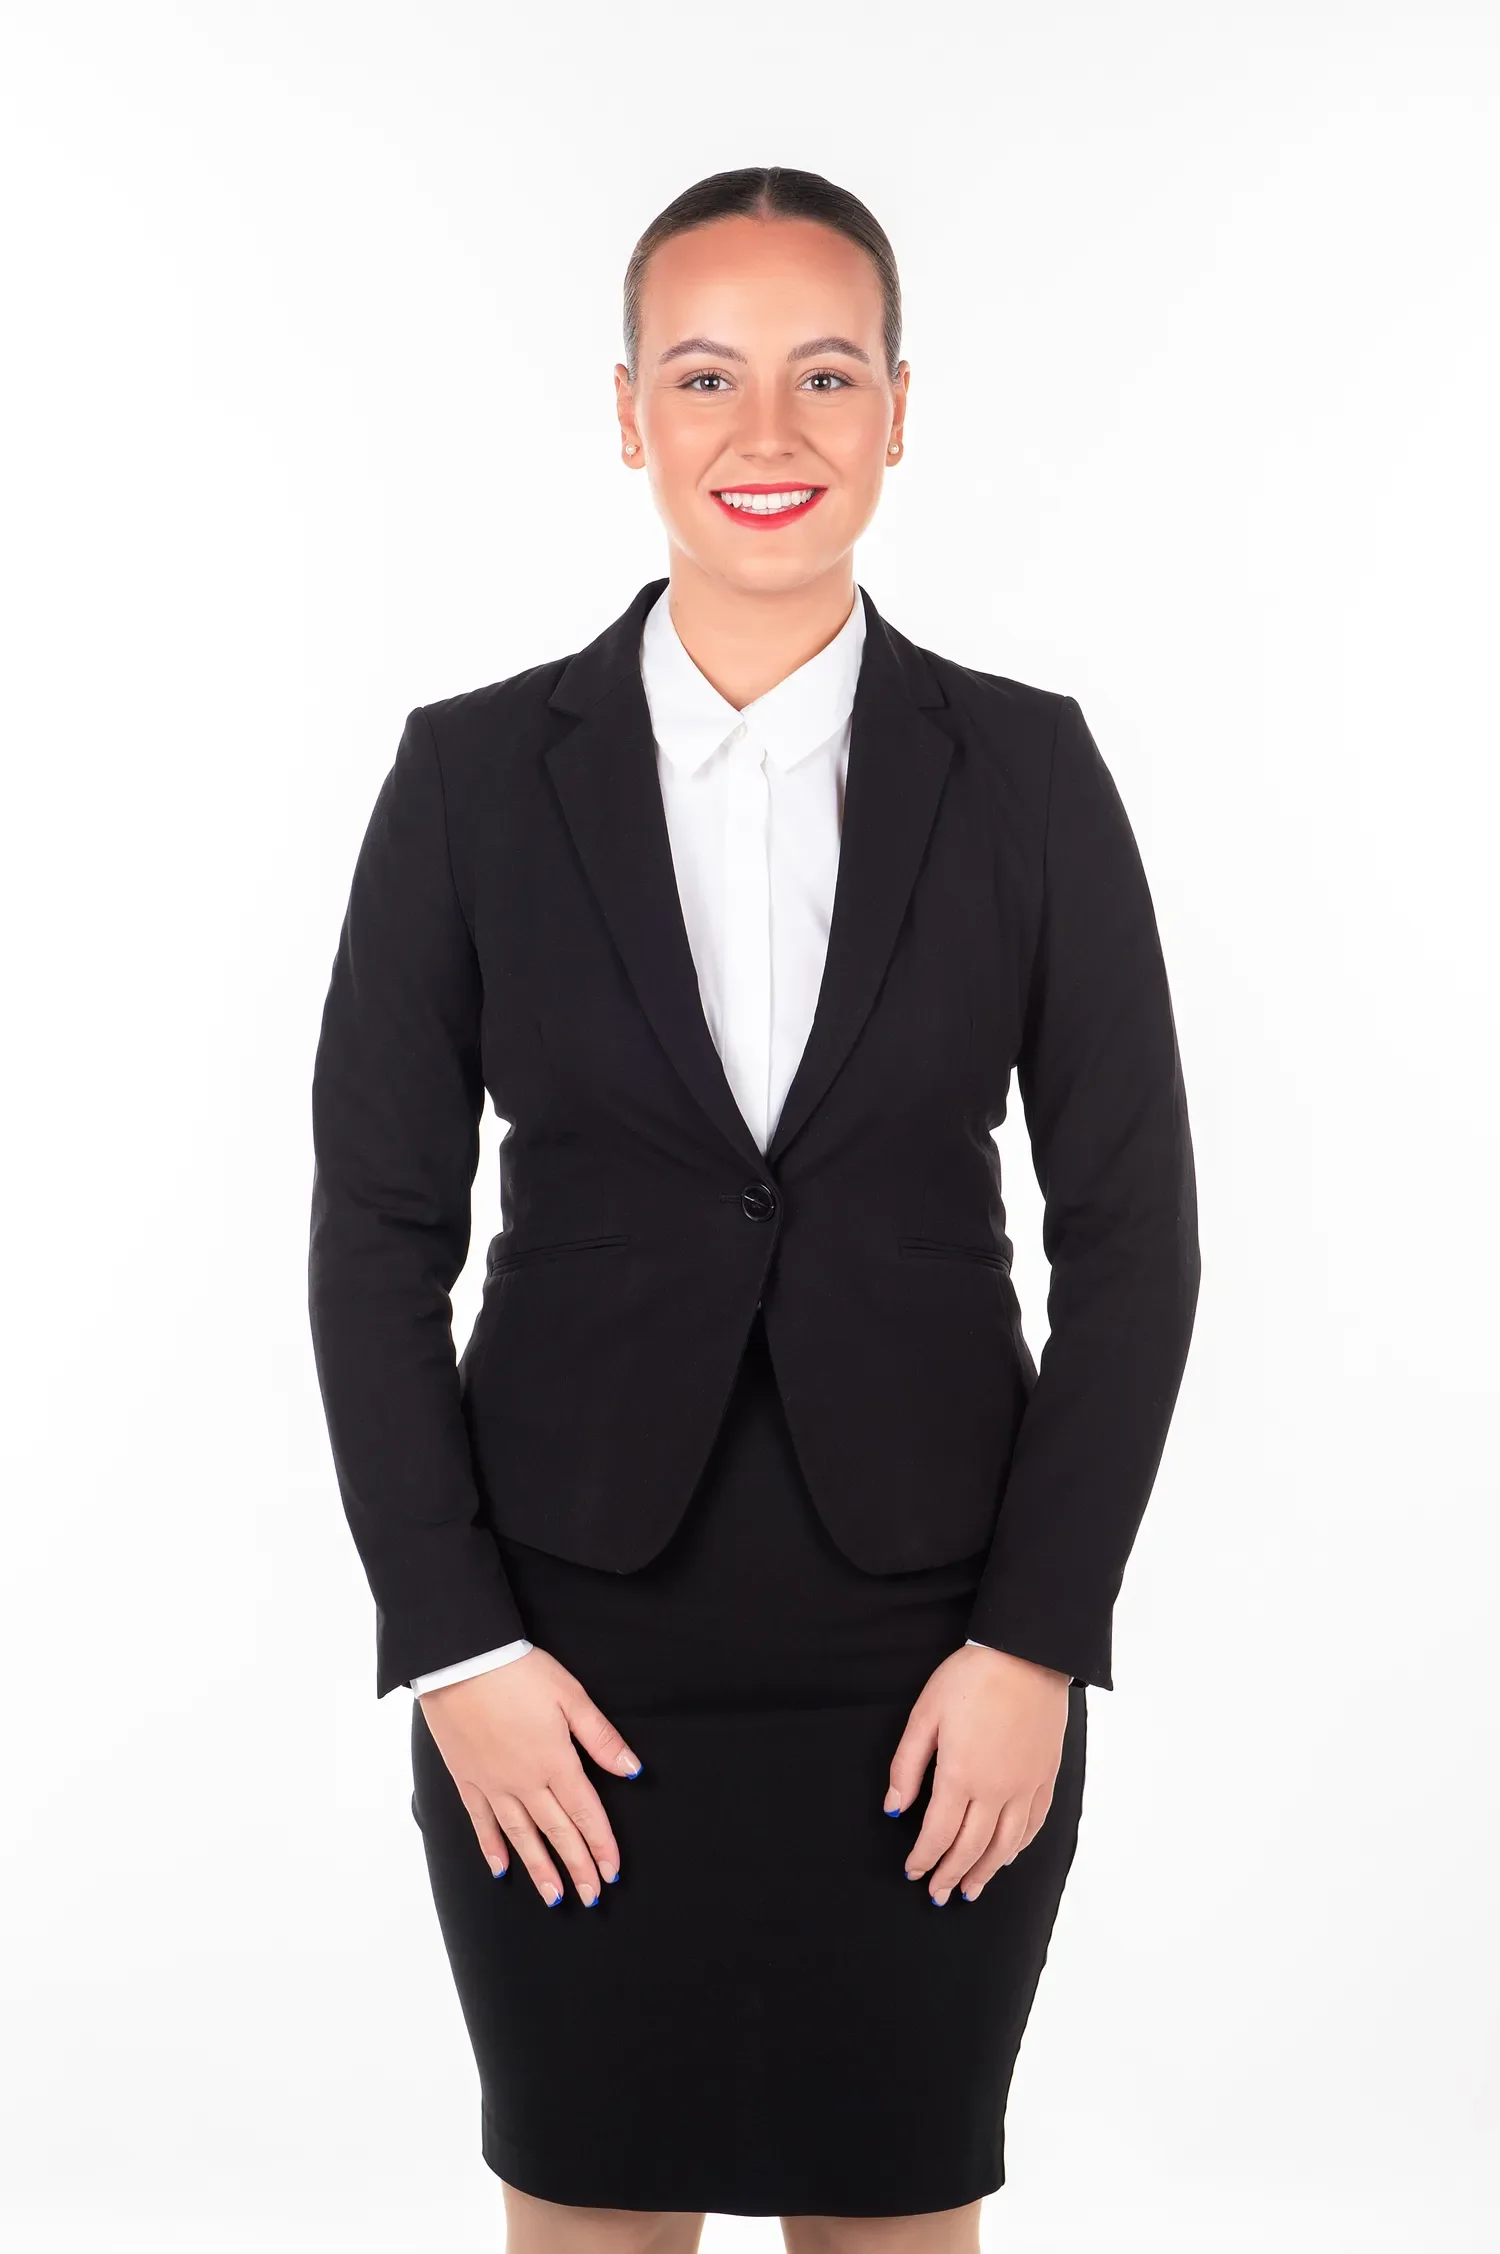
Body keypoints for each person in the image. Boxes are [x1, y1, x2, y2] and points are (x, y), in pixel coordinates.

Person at [307, 164, 1201, 2253]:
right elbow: (372, 1234)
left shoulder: (1033, 775)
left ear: (901, 406)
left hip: (933, 1659)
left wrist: (1034, 1639)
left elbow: (1136, 1232)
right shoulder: (466, 779)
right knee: (590, 2196)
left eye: (824, 374)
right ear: (629, 411)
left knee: (897, 2200)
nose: (767, 435)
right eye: (708, 376)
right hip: (566, 1661)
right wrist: (456, 1640)